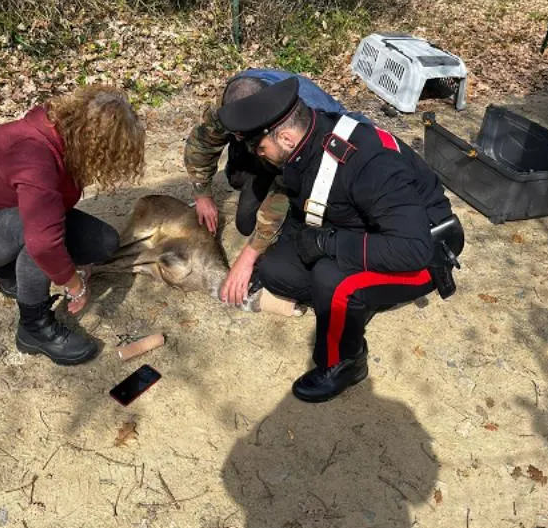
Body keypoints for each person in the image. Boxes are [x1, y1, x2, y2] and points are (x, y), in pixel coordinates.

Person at [216, 77, 464, 403]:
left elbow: (412, 249)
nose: (259, 156)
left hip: (425, 248)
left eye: (260, 148)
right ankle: (353, 300)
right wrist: (256, 258)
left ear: (287, 137)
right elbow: (304, 206)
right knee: (277, 268)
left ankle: (344, 362)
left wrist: (327, 244)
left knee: (333, 281)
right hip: (365, 231)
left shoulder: (370, 164)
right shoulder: (308, 142)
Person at [0, 84, 145, 366]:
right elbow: (43, 241)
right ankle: (34, 328)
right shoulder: (33, 155)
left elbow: (54, 208)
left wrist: (73, 262)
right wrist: (74, 284)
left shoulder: (62, 137)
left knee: (102, 242)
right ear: (94, 142)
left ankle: (4, 268)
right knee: (34, 234)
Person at [184, 68, 372, 305]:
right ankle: (264, 167)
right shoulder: (228, 105)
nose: (241, 141)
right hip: (273, 147)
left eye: (249, 138)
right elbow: (201, 144)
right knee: (244, 216)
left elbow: (285, 190)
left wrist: (250, 254)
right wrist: (202, 193)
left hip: (322, 160)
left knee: (294, 220)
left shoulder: (297, 123)